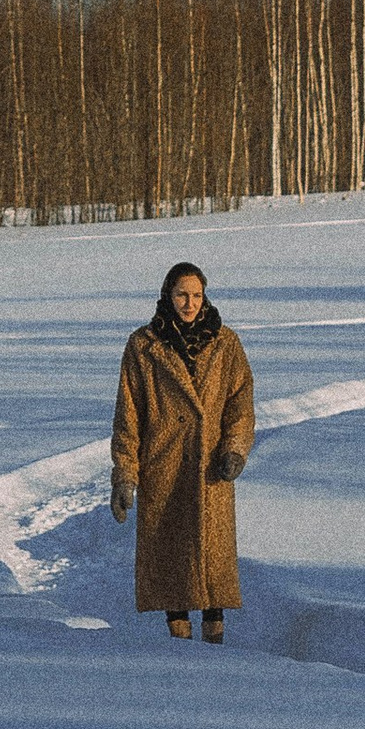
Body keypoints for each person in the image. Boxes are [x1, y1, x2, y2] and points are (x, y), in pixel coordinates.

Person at [110, 259, 255, 642]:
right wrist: (126, 474)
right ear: (167, 296)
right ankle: (180, 646)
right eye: (181, 295)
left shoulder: (225, 343)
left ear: (204, 297)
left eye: (196, 295)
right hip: (165, 466)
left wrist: (235, 449)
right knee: (173, 563)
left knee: (212, 564)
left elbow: (240, 403)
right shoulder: (143, 346)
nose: (189, 304)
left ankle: (214, 641)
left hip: (211, 470)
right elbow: (129, 416)